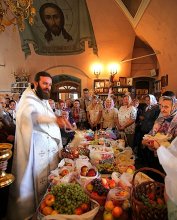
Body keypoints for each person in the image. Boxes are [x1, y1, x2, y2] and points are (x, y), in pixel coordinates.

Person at [7, 71, 63, 220]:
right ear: (36, 83)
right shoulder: (28, 98)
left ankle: (47, 213)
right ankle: (34, 214)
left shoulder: (43, 100)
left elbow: (52, 119)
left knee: (49, 184)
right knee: (35, 185)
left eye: (50, 85)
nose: (47, 87)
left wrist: (58, 121)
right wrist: (53, 120)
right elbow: (31, 116)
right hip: (35, 152)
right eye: (45, 83)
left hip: (48, 152)